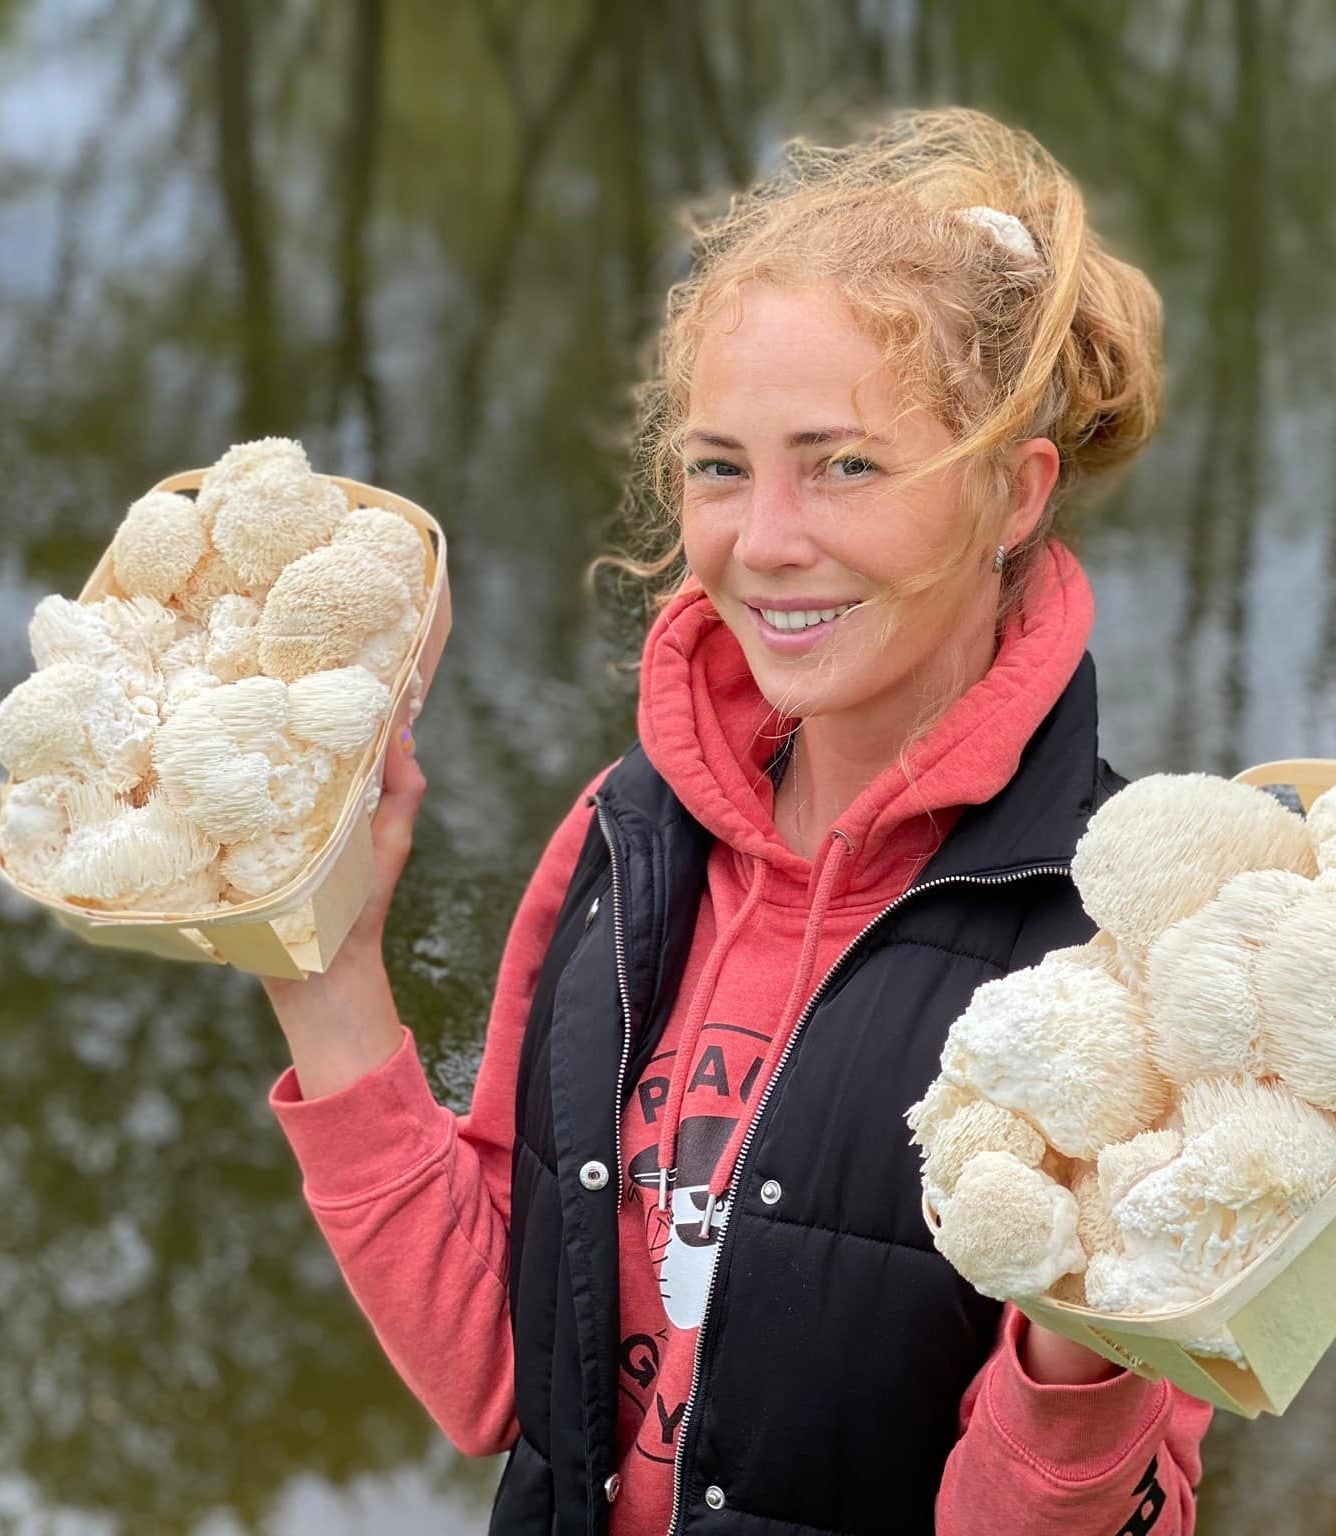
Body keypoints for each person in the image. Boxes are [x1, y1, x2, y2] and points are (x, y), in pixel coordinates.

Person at [262, 107, 1215, 1534]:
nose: (764, 539)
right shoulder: (623, 836)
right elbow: (498, 1378)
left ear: (1013, 495)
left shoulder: (1132, 938)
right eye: (720, 466)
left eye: (843, 465)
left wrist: (1095, 1322)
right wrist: (322, 966)